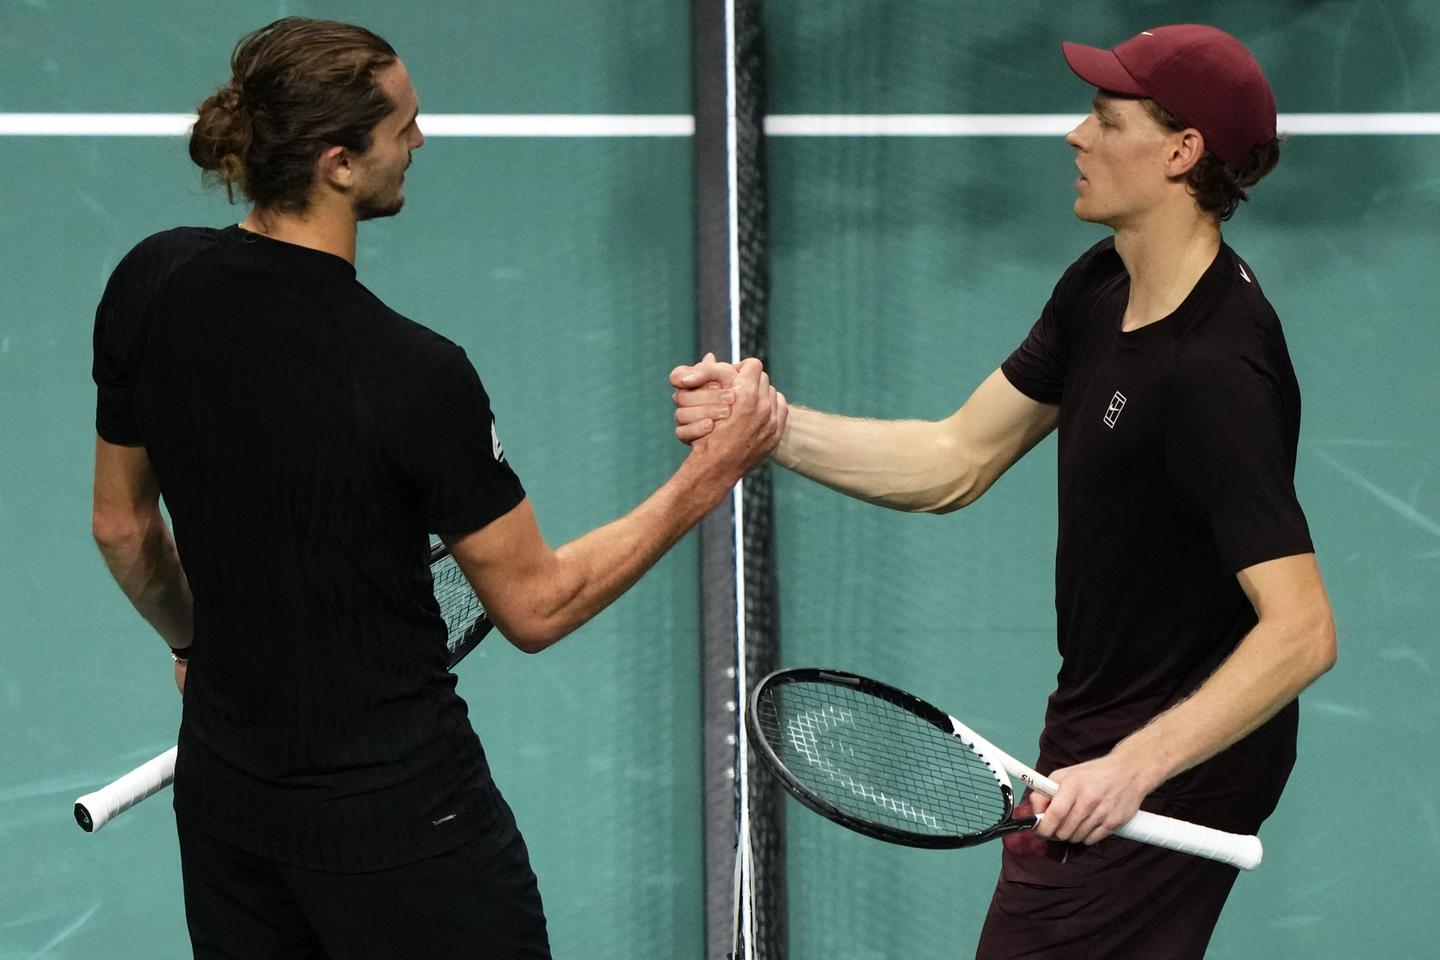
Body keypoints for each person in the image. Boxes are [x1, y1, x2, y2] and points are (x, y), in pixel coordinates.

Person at [89, 17, 784, 960]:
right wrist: (710, 475)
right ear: (337, 162)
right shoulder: (413, 374)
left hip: (229, 813)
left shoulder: (151, 281)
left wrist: (195, 643)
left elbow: (124, 529)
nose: (421, 140)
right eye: (403, 127)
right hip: (406, 830)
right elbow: (538, 603)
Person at [671, 24, 1336, 959]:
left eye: (1107, 120)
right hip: (1107, 710)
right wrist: (768, 426)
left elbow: (1302, 630)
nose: (1076, 136)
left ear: (1182, 152)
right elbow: (954, 460)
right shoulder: (1104, 285)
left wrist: (1129, 769)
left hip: (1173, 753)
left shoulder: (1214, 373)